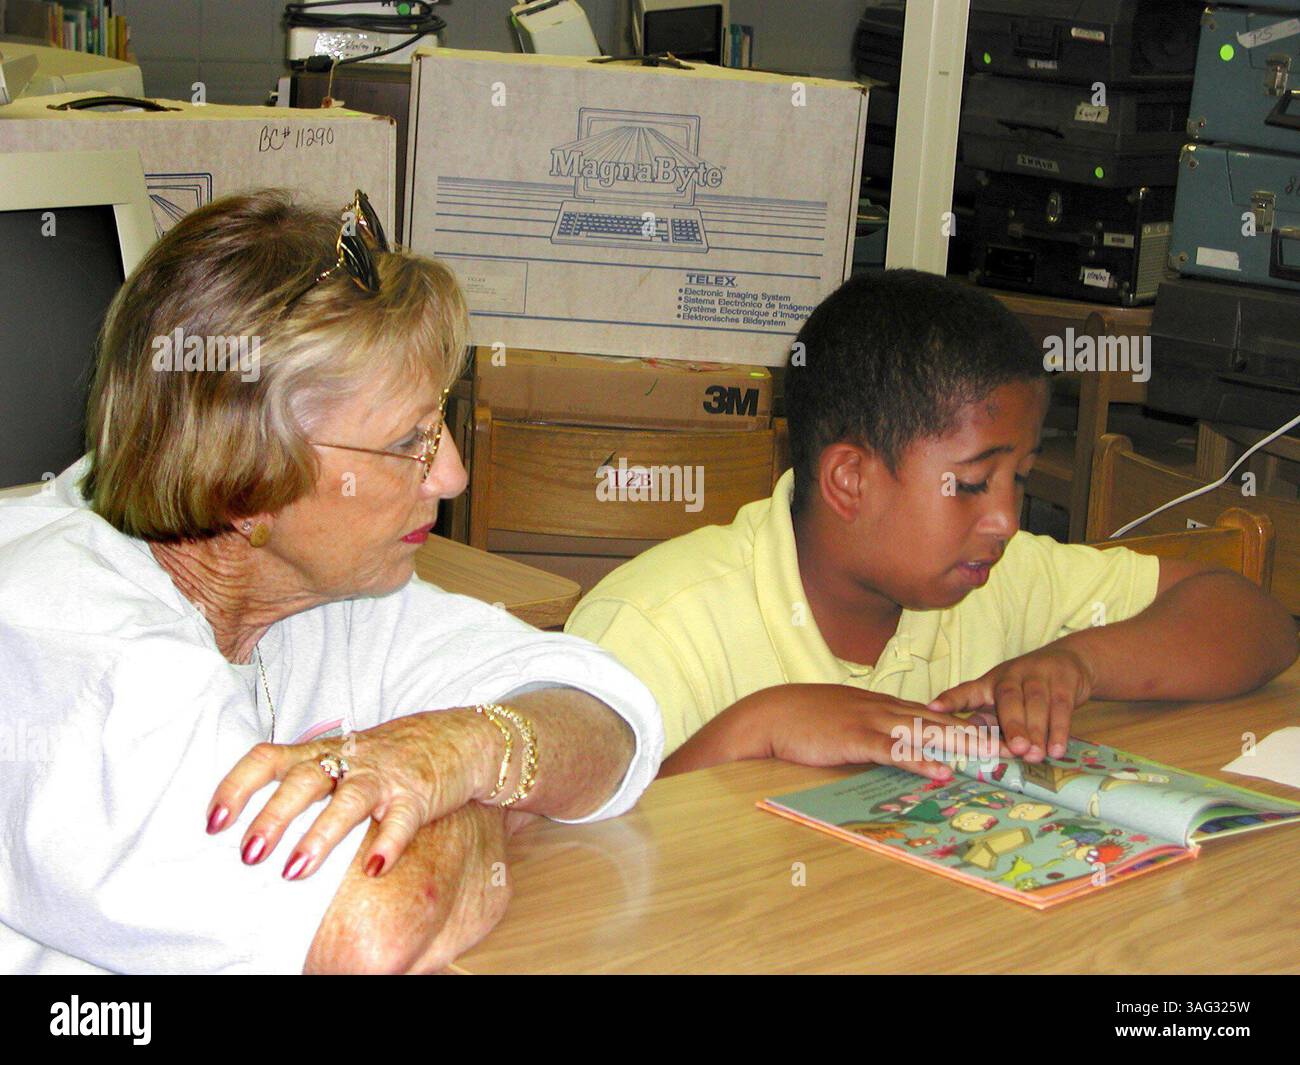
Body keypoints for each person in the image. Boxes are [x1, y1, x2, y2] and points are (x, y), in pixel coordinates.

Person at [0, 189, 663, 974]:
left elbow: (612, 718)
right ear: (246, 485)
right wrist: (475, 795)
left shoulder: (312, 590)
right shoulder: (72, 652)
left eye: (439, 420)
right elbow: (370, 933)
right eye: (408, 442)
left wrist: (468, 747)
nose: (450, 474)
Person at [565, 270, 1296, 778]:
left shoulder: (996, 581)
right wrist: (759, 726)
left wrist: (1081, 663)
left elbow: (1259, 624)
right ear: (850, 479)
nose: (1007, 518)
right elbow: (552, 859)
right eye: (974, 484)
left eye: (1021, 478)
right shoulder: (654, 628)